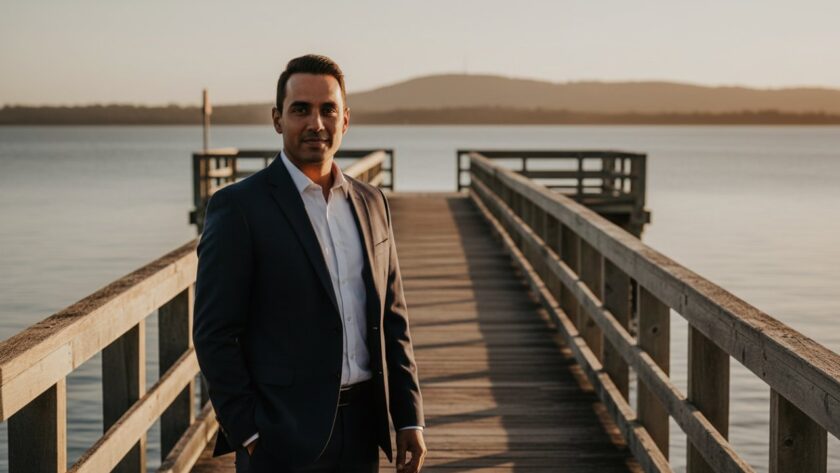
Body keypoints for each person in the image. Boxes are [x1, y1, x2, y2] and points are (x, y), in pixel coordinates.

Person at [193, 54, 426, 473]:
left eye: (328, 109)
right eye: (301, 109)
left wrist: (408, 415)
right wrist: (247, 431)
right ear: (278, 119)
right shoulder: (239, 208)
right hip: (279, 436)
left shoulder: (372, 202)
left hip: (362, 431)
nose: (316, 123)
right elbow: (213, 333)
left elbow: (394, 318)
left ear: (346, 120)